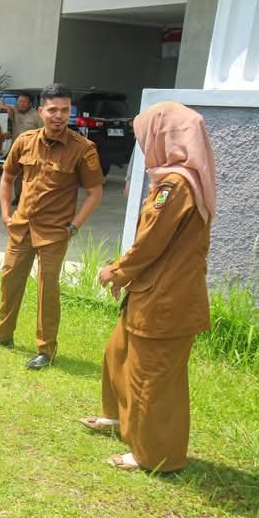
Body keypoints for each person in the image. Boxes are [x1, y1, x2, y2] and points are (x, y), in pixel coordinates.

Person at [83, 101, 215, 472]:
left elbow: (152, 241)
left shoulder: (176, 186)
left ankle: (153, 455)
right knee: (119, 353)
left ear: (164, 136)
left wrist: (117, 271)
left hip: (165, 299)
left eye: (146, 136)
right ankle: (118, 417)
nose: (143, 145)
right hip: (151, 293)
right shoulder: (175, 181)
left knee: (151, 377)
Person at [0, 83, 104, 370]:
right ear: (41, 111)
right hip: (22, 227)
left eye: (65, 110)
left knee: (47, 289)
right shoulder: (25, 141)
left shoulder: (83, 149)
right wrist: (6, 215)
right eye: (53, 110)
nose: (59, 116)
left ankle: (46, 348)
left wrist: (74, 226)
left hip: (55, 232)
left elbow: (95, 193)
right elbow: (7, 177)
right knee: (10, 280)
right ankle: (3, 333)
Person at [6, 92, 43, 206]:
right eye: (19, 101)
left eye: (24, 102)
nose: (21, 104)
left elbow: (43, 132)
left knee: (29, 175)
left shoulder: (36, 115)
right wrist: (7, 108)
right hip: (16, 149)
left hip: (31, 150)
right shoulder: (13, 111)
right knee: (17, 175)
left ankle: (29, 198)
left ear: (30, 104)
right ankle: (18, 196)